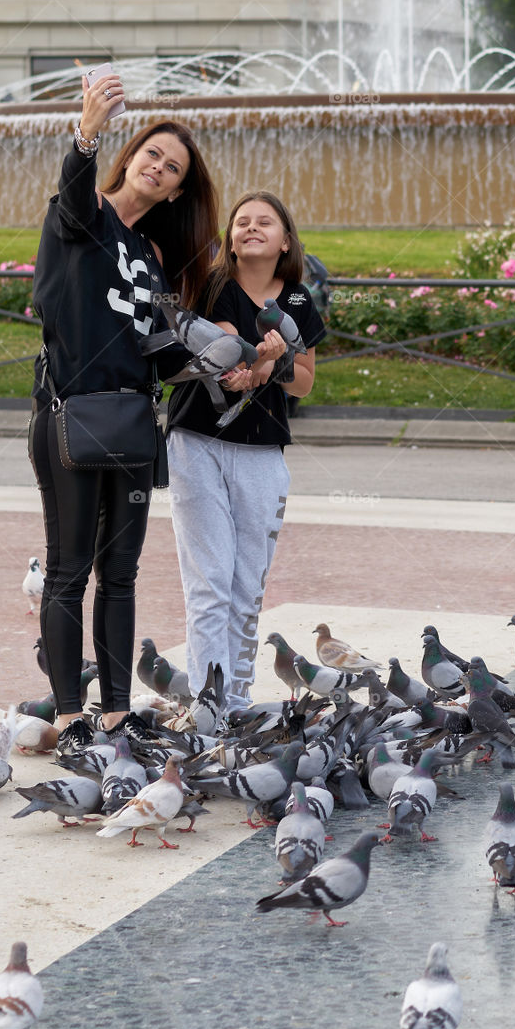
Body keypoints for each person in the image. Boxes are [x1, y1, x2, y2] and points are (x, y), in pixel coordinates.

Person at [29, 70, 219, 755]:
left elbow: (161, 354)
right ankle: (69, 717)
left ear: (174, 189)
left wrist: (226, 361)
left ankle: (114, 714)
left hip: (133, 425)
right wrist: (86, 130)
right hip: (69, 416)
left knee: (122, 574)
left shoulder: (151, 256)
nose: (160, 167)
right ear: (131, 155)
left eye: (172, 168)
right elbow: (77, 197)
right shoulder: (79, 217)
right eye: (153, 154)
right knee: (67, 570)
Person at [165, 191, 326, 712]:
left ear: (285, 242)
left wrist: (272, 366)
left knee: (245, 589)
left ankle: (235, 699)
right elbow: (230, 357)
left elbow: (303, 383)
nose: (251, 228)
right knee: (209, 584)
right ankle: (207, 706)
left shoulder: (298, 299)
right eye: (241, 222)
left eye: (265, 222)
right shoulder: (213, 286)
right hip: (198, 443)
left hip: (262, 453)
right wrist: (261, 362)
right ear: (231, 241)